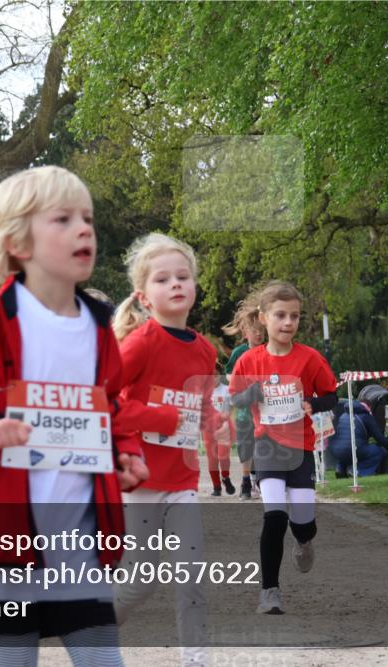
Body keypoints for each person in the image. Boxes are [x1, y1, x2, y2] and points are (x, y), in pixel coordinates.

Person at [0, 165, 147, 667]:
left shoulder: (100, 327)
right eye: (63, 219)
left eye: (88, 218)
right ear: (18, 242)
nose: (85, 229)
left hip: (81, 537)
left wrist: (125, 453)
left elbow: (112, 404)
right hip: (4, 539)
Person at [111, 232, 225, 667]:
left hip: (181, 483)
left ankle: (195, 659)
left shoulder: (204, 349)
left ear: (195, 286)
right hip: (140, 482)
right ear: (144, 296)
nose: (175, 284)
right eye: (163, 279)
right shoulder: (141, 342)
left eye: (183, 277)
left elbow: (201, 402)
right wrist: (162, 419)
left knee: (191, 577)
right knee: (139, 583)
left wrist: (215, 420)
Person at [229, 281, 338, 615]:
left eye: (294, 316)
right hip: (267, 448)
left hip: (301, 449)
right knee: (274, 516)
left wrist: (313, 404)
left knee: (303, 520)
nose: (288, 322)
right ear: (263, 318)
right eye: (280, 315)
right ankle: (270, 591)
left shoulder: (309, 359)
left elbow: (333, 397)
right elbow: (235, 398)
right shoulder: (249, 361)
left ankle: (304, 540)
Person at [223, 296, 264, 500]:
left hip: (264, 410)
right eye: (254, 330)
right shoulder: (239, 352)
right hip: (244, 410)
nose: (258, 334)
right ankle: (246, 482)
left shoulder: (268, 352)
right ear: (245, 331)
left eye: (261, 330)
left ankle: (257, 480)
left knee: (262, 446)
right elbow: (229, 377)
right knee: (246, 448)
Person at [328, 386, 388, 477]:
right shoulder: (366, 417)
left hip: (335, 450)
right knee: (377, 450)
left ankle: (340, 470)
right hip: (351, 450)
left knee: (347, 447)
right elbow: (380, 439)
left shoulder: (344, 414)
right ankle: (358, 471)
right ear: (370, 407)